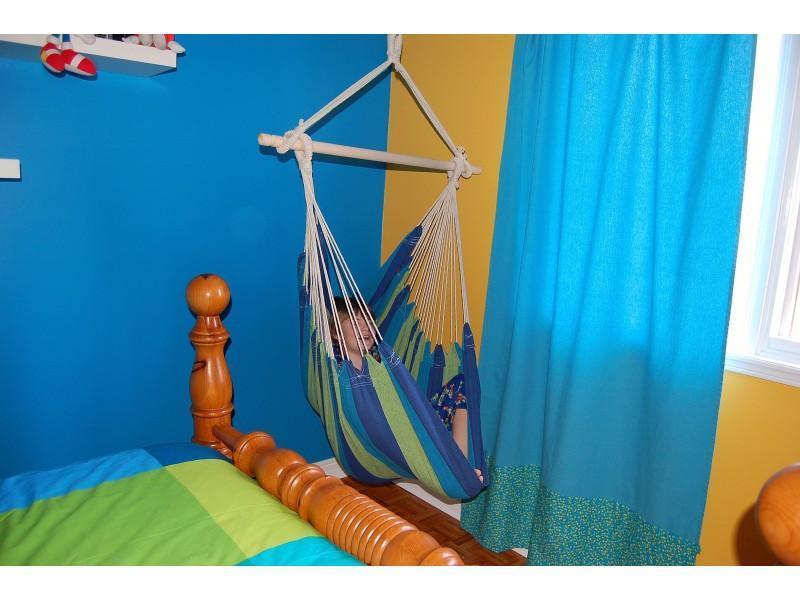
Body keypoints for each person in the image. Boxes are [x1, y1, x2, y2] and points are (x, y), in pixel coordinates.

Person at [329, 296, 482, 482]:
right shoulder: (339, 372)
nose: (365, 327)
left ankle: (460, 466)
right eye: (355, 322)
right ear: (336, 333)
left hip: (411, 427)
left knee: (463, 383)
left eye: (369, 320)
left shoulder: (380, 359)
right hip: (388, 438)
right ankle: (456, 470)